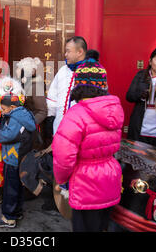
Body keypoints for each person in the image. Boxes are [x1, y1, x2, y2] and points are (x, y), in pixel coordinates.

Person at [52, 58, 124, 232]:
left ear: (78, 85)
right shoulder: (115, 110)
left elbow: (63, 157)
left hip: (85, 182)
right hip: (110, 177)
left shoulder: (76, 114)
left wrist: (61, 180)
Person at [0, 92, 36, 228]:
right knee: (18, 187)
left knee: (10, 189)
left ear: (12, 107)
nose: (2, 112)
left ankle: (9, 218)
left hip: (13, 159)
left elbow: (7, 135)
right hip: (21, 157)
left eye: (4, 109)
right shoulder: (25, 114)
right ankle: (17, 212)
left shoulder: (16, 118)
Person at [46, 36, 88, 136]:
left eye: (68, 51)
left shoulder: (92, 73)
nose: (65, 55)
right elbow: (53, 96)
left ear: (80, 52)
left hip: (81, 132)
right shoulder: (62, 70)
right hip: (59, 129)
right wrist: (50, 117)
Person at [16, 57, 47, 150]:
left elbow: (42, 111)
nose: (17, 71)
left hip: (31, 132)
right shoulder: (25, 85)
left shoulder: (36, 86)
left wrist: (28, 124)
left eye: (19, 68)